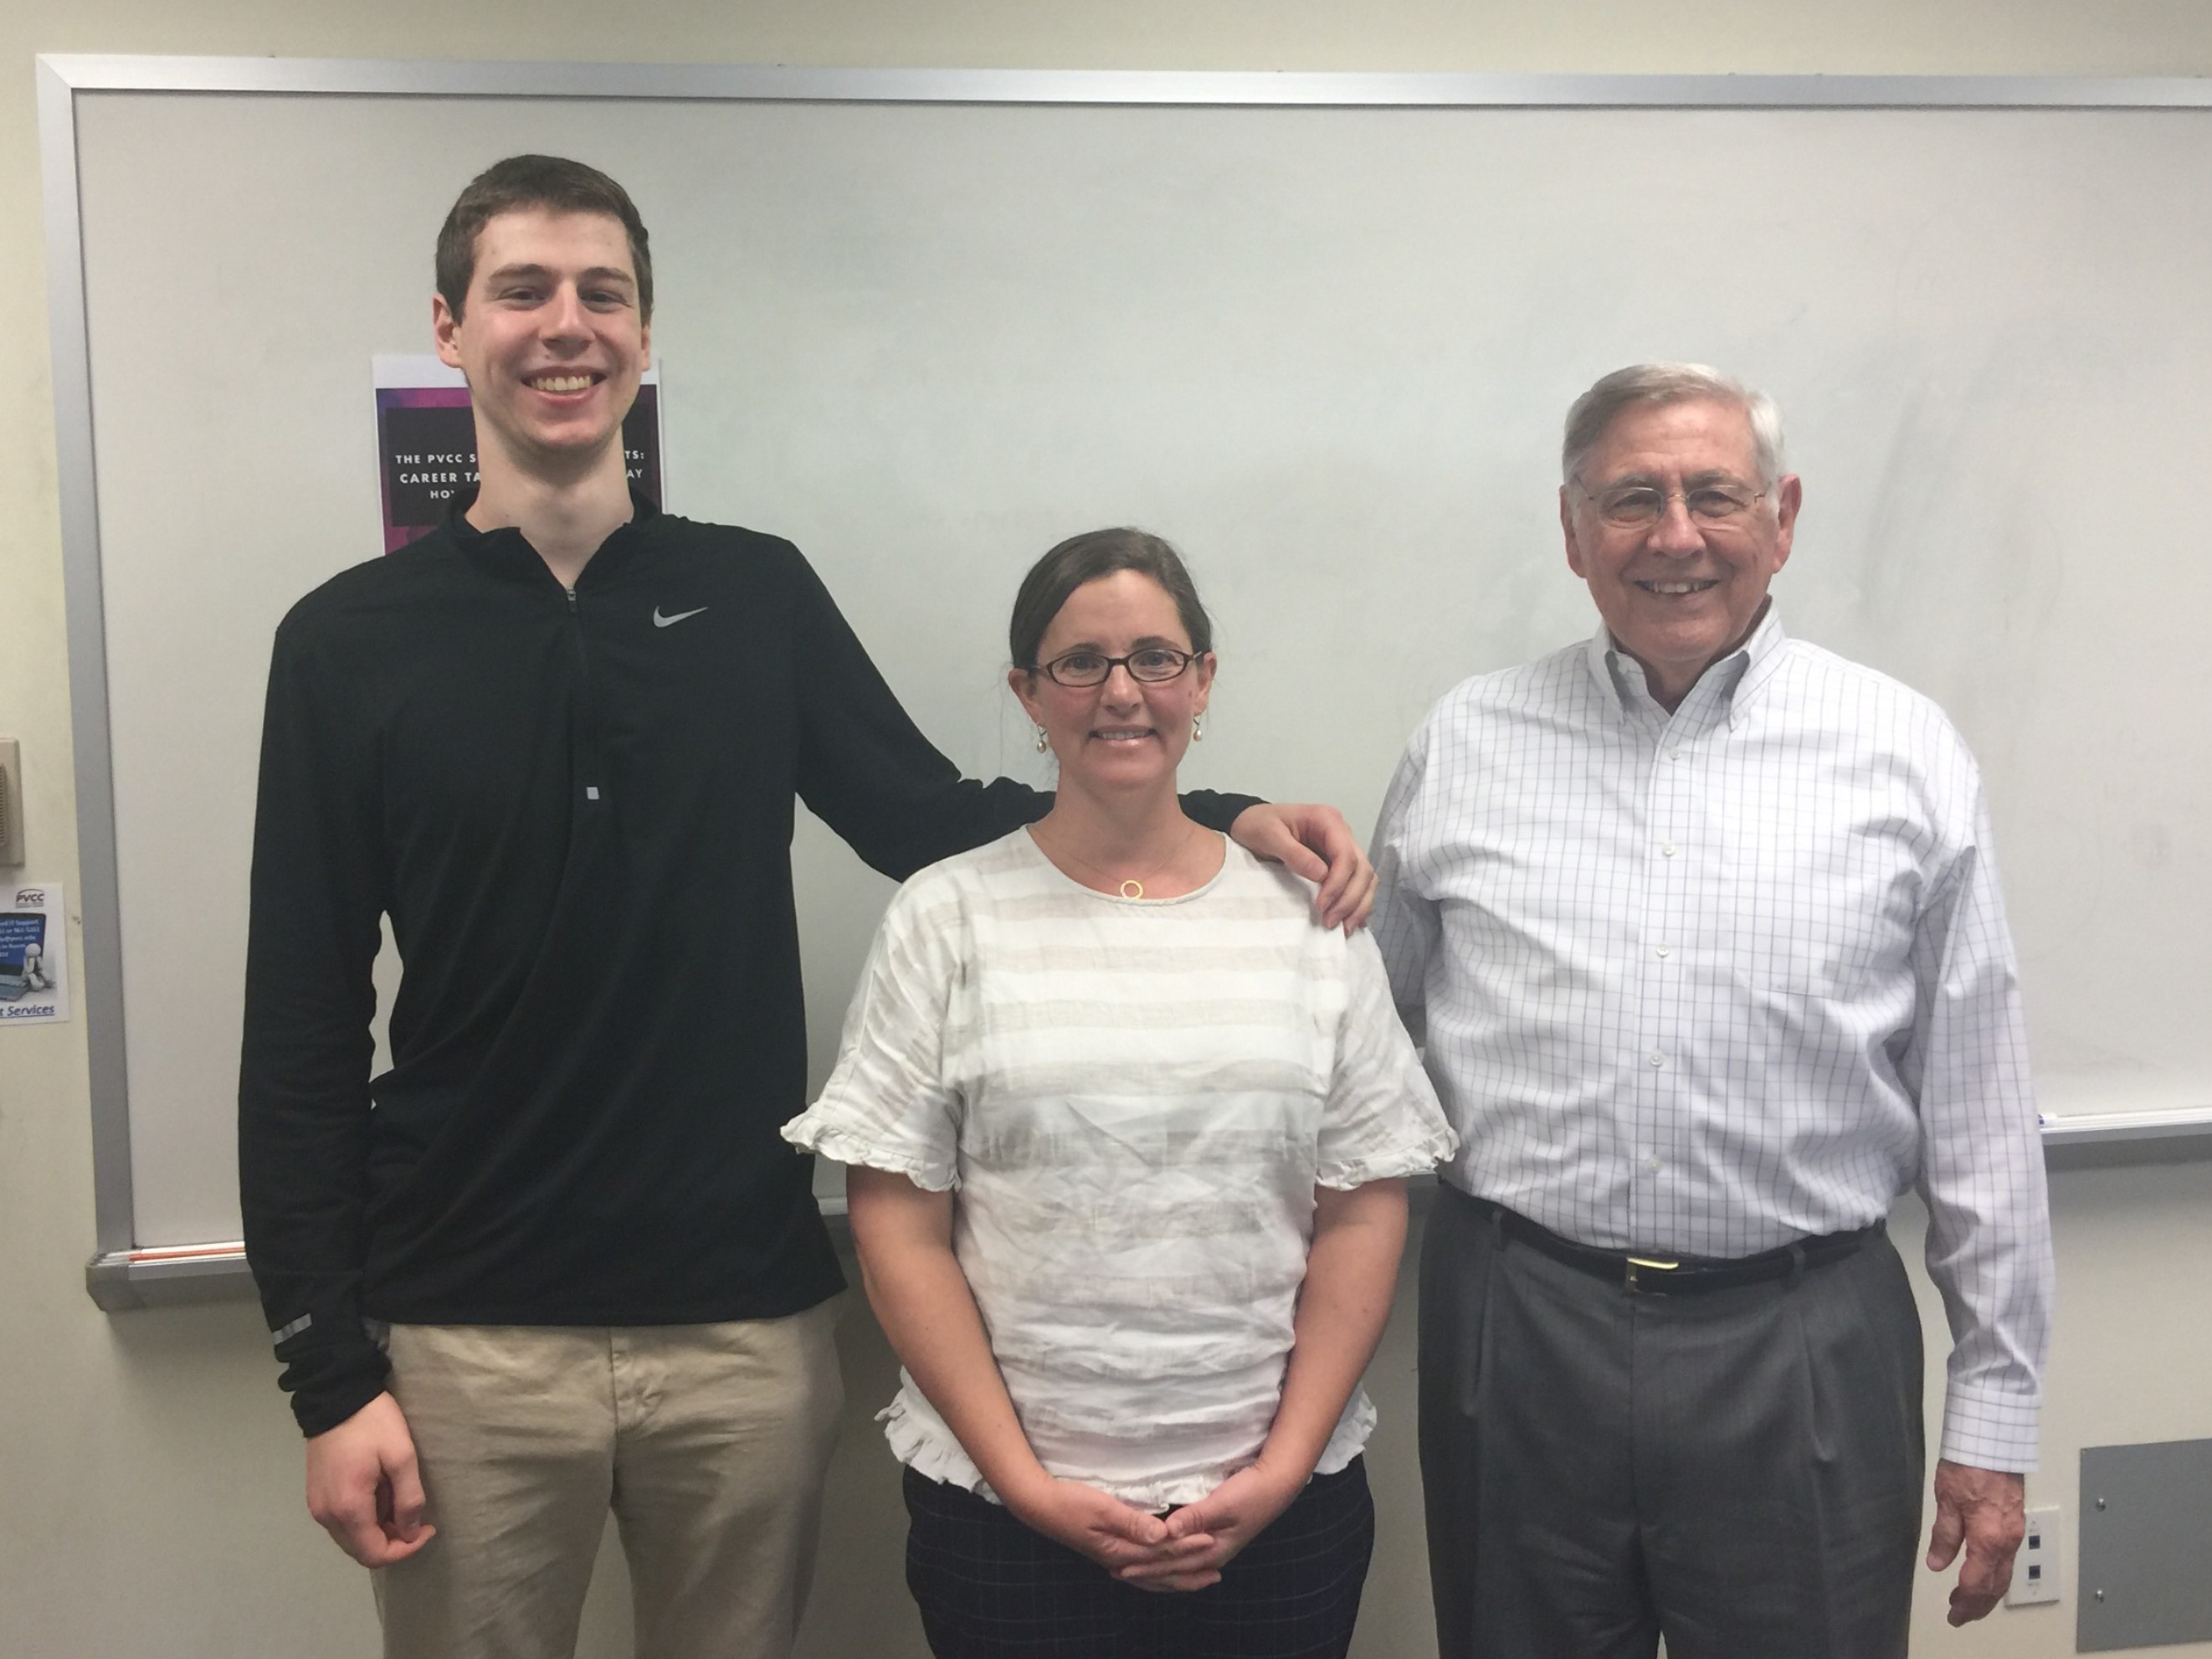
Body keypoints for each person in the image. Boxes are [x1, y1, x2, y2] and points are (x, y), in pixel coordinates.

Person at [238, 157, 1374, 1659]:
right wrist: (330, 1377)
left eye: (604, 293)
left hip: (743, 1331)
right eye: (523, 291)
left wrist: (1222, 816)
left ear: (647, 336)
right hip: (462, 1342)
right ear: (451, 329)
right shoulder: (344, 644)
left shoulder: (754, 595)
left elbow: (937, 822)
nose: (565, 326)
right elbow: (300, 1027)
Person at [1373, 362, 2055, 1659]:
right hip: (1521, 1326)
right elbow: (1360, 1054)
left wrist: (1994, 1422)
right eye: (1631, 498)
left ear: (1781, 518)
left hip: (1805, 1336)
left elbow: (1978, 1111)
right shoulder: (1465, 742)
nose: (1674, 535)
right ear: (1574, 532)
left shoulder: (1901, 751)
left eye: (1713, 496)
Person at [782, 528, 1455, 1659]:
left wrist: (1282, 1468)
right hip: (1008, 1521)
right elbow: (900, 1221)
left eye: (1156, 656)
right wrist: (1029, 1487)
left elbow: (1364, 1200)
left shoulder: (1308, 917)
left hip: (1278, 1513)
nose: (1122, 691)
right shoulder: (947, 916)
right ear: (1028, 695)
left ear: (1202, 678)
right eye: (1080, 663)